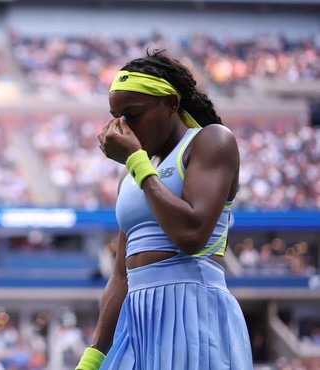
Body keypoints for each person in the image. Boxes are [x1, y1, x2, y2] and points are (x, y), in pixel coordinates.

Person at [76, 50, 253, 369]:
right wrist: (93, 357)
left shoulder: (212, 141)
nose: (123, 127)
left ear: (171, 103)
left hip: (195, 312)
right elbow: (120, 275)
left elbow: (191, 234)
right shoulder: (131, 172)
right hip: (138, 321)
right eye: (117, 116)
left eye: (133, 113)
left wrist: (136, 162)